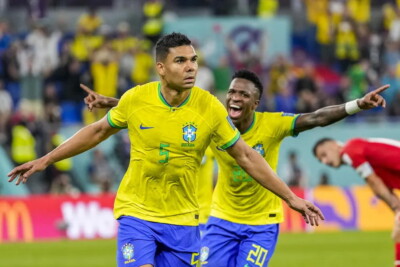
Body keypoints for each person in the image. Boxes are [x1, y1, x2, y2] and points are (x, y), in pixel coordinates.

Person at [8, 33, 323, 267]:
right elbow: (98, 130)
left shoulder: (209, 108)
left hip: (184, 221)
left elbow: (246, 155)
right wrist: (46, 159)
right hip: (138, 213)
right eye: (181, 61)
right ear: (161, 67)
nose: (191, 67)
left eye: (194, 60)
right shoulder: (136, 98)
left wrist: (291, 197)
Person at [82, 68, 388, 266]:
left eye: (244, 94)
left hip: (261, 224)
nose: (235, 98)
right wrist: (109, 102)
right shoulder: (213, 122)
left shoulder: (273, 124)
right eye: (232, 92)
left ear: (255, 103)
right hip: (220, 221)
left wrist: (357, 104)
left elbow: (317, 117)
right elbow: (154, 106)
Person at [313, 137, 400, 267]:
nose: (325, 162)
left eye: (324, 155)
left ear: (334, 145)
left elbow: (374, 182)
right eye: (321, 160)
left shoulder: (349, 152)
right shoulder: (362, 151)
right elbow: (381, 187)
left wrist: (397, 209)